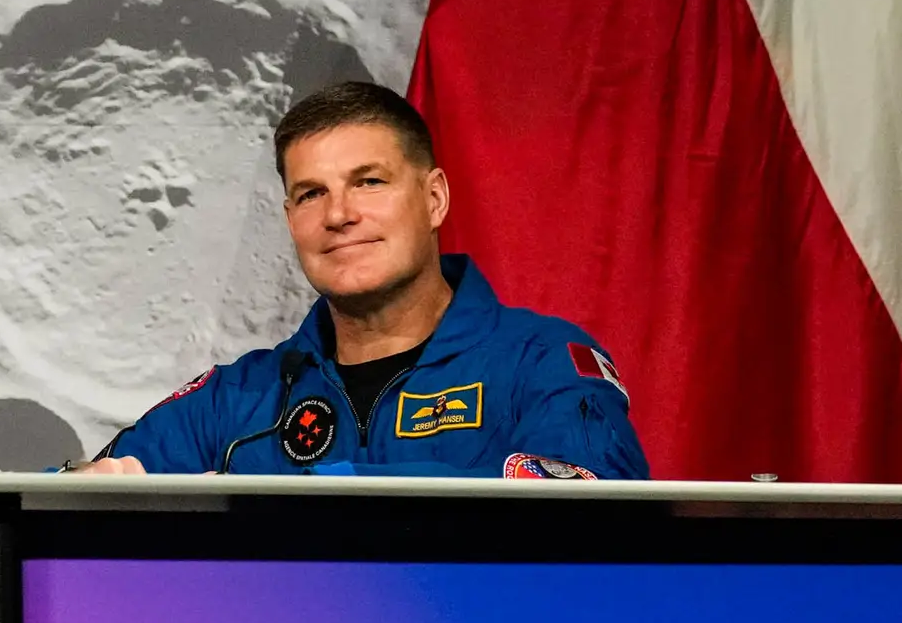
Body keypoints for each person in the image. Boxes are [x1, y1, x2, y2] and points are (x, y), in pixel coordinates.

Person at [83, 79, 647, 478]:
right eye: (311, 194)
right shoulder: (238, 400)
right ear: (290, 220)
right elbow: (64, 501)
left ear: (434, 199)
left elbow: (591, 513)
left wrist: (296, 497)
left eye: (369, 182)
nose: (338, 215)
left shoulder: (540, 363)